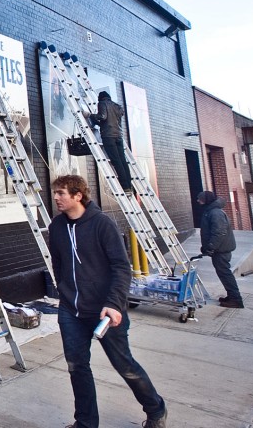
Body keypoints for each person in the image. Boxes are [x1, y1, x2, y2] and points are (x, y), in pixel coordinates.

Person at [50, 174, 167, 428]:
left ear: (77, 195)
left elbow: (121, 267)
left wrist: (114, 304)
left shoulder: (102, 224)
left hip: (104, 310)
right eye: (55, 193)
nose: (56, 197)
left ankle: (156, 409)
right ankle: (85, 423)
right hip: (71, 310)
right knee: (77, 367)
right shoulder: (57, 227)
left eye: (61, 193)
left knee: (123, 364)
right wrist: (64, 291)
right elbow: (57, 263)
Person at [195, 190, 243, 308]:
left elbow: (219, 232)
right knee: (223, 273)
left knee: (225, 274)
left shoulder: (215, 213)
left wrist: (211, 247)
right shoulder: (212, 211)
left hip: (221, 250)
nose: (198, 201)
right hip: (220, 249)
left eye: (199, 199)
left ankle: (235, 299)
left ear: (206, 200)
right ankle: (232, 296)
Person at [91, 90, 132, 193]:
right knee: (122, 161)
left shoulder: (102, 103)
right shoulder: (117, 106)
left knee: (116, 161)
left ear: (100, 98)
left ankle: (125, 187)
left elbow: (102, 116)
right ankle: (129, 186)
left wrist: (91, 116)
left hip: (108, 136)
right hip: (118, 136)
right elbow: (112, 120)